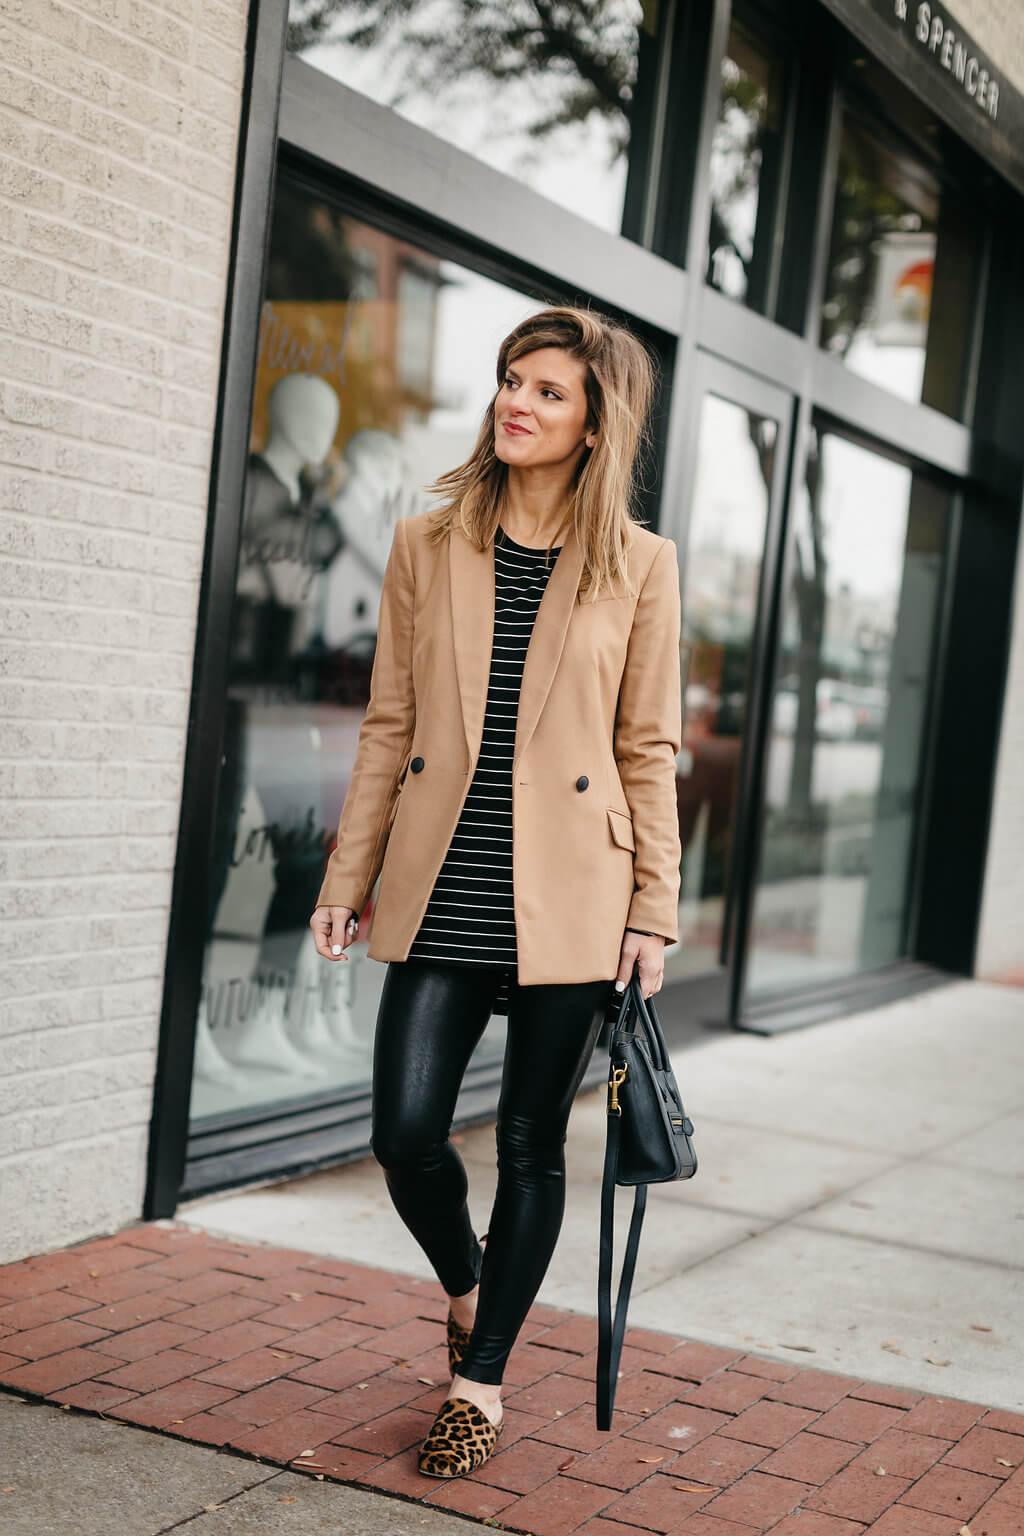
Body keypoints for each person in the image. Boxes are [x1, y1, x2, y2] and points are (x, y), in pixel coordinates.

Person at [309, 306, 682, 1478]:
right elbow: (389, 725)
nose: (516, 403)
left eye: (549, 393)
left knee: (531, 1145)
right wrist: (348, 874)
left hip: (576, 889)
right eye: (512, 381)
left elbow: (646, 746)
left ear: (592, 424)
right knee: (405, 1132)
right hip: (445, 882)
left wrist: (652, 907)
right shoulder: (430, 545)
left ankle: (481, 1383)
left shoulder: (638, 562)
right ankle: (470, 1287)